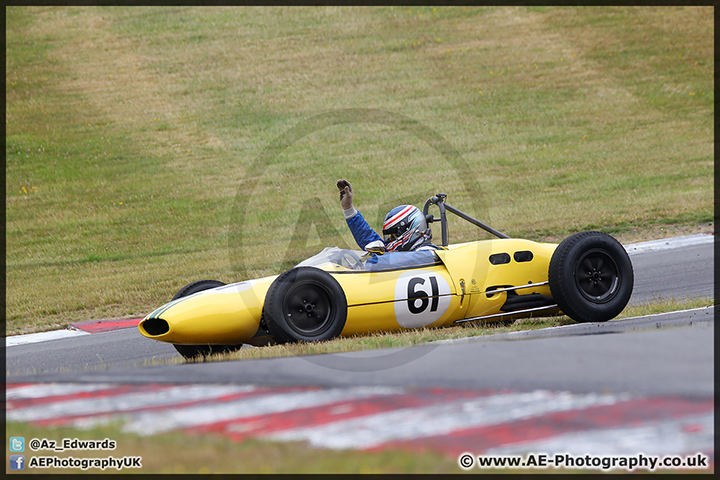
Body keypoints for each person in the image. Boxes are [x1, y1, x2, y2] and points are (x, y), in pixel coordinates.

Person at [336, 179, 438, 253]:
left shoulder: (426, 254)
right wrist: (348, 208)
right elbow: (369, 239)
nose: (389, 241)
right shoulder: (405, 254)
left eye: (393, 236)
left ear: (410, 231)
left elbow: (388, 257)